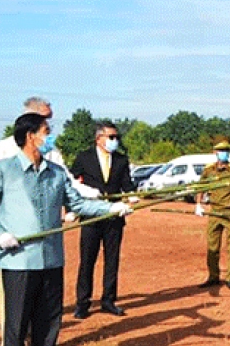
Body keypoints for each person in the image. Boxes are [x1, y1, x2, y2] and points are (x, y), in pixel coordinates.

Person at [0, 113, 132, 346]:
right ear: (30, 136)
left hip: (51, 259)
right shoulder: (4, 169)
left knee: (48, 325)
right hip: (18, 261)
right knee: (17, 326)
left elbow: (77, 203)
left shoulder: (56, 172)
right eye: (46, 132)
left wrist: (111, 208)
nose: (51, 137)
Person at [71, 122, 135, 318]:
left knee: (112, 260)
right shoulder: (84, 158)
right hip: (91, 216)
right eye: (111, 137)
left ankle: (108, 300)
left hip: (114, 217)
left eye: (117, 137)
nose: (115, 141)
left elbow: (127, 183)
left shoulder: (121, 160)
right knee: (87, 261)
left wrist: (132, 196)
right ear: (99, 138)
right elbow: (71, 184)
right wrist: (71, 209)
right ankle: (83, 303)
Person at [195, 138, 230, 290]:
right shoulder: (209, 170)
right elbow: (200, 187)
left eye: (226, 151)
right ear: (214, 153)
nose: (224, 154)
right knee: (212, 246)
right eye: (221, 151)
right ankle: (213, 276)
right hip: (215, 211)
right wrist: (198, 203)